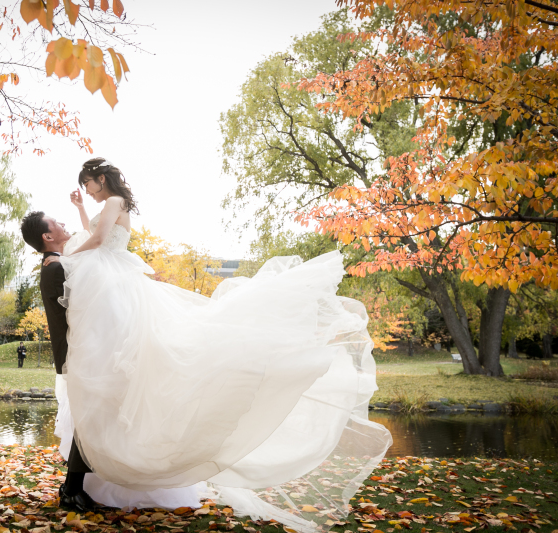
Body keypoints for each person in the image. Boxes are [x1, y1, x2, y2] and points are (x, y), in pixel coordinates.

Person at [23, 158, 393, 532]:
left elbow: (99, 238)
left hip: (118, 287)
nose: (86, 190)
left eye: (87, 185)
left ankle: (87, 479)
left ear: (100, 178)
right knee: (125, 378)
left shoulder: (114, 203)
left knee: (145, 363)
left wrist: (69, 253)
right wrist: (80, 209)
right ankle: (87, 479)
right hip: (114, 286)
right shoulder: (105, 207)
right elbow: (95, 231)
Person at [20, 212, 98, 512]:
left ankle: (76, 486)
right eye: (56, 223)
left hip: (85, 349)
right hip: (79, 352)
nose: (63, 224)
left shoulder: (62, 263)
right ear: (47, 237)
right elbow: (79, 310)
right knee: (90, 418)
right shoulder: (55, 268)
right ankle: (71, 489)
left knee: (94, 416)